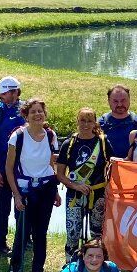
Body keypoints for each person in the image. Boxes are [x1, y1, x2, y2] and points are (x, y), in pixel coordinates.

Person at [4, 98, 61, 272]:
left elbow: (51, 166)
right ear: (26, 116)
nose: (38, 114)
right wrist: (16, 196)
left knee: (40, 234)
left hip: (46, 189)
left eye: (41, 111)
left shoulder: (51, 135)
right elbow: (8, 169)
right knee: (21, 233)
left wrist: (54, 191)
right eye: (33, 112)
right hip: (25, 190)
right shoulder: (17, 137)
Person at [56, 107, 114, 263]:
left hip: (98, 195)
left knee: (97, 234)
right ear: (77, 121)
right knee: (73, 233)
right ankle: (71, 265)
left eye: (89, 121)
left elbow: (112, 168)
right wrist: (75, 185)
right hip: (74, 195)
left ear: (95, 122)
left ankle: (97, 265)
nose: (86, 124)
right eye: (82, 120)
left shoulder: (102, 142)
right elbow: (60, 174)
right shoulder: (69, 144)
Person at [0, 77, 26, 256]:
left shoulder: (26, 109)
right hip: (1, 167)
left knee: (23, 205)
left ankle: (24, 238)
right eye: (0, 92)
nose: (1, 95)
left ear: (16, 92)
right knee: (2, 207)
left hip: (23, 169)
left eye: (5, 92)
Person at [100, 84, 137, 156]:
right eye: (115, 101)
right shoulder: (101, 123)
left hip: (132, 165)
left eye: (123, 100)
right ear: (109, 101)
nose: (120, 104)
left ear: (129, 99)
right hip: (109, 165)